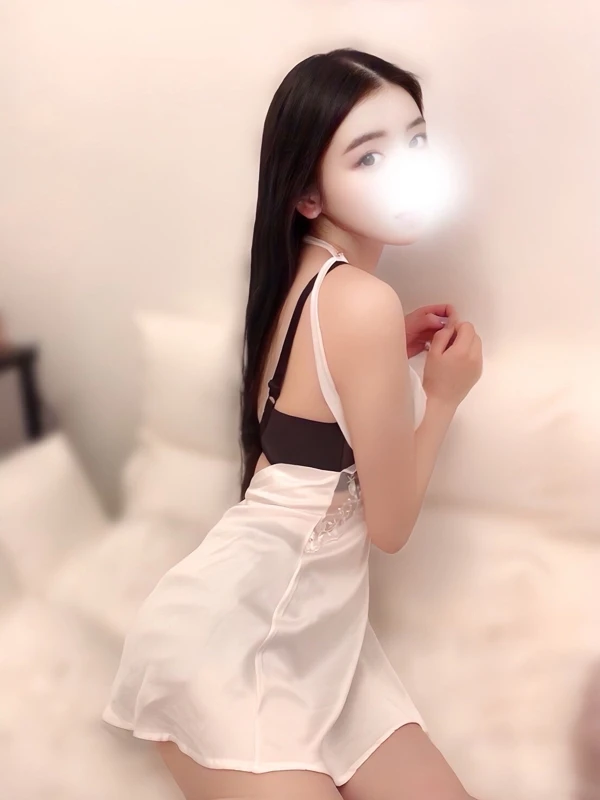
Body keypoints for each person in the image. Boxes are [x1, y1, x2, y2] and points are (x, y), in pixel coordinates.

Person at [103, 48, 483, 800]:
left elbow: (291, 438)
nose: (406, 171)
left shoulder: (300, 278)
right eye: (369, 156)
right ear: (308, 193)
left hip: (317, 638)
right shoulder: (360, 303)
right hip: (231, 648)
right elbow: (391, 528)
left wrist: (386, 356)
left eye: (416, 141)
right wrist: (443, 397)